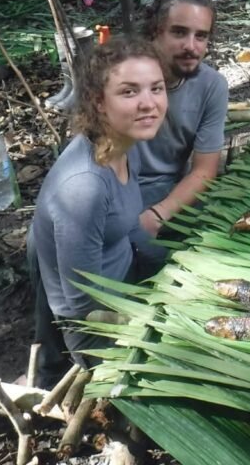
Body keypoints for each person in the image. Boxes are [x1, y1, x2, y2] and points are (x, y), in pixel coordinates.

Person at [30, 37, 169, 386]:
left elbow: (128, 228)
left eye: (157, 88)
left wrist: (175, 269)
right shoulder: (85, 186)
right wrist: (152, 322)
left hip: (123, 284)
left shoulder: (123, 144)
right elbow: (81, 305)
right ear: (98, 102)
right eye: (129, 92)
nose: (149, 103)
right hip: (95, 325)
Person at [134, 0, 229, 265]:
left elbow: (204, 171)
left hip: (170, 187)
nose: (191, 46)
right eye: (179, 32)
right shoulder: (125, 72)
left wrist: (159, 213)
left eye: (201, 36)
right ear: (155, 30)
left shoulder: (211, 86)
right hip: (117, 187)